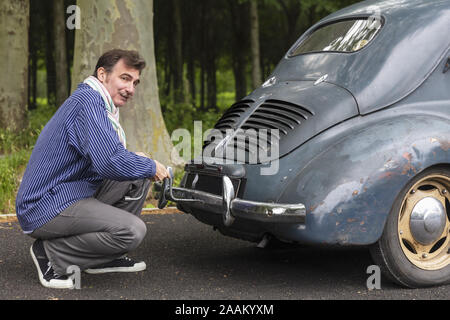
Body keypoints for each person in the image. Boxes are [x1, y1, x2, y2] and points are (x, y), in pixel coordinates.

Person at [15, 49, 171, 289]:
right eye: (125, 78)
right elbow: (108, 161)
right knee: (132, 231)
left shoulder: (101, 104)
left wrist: (140, 164)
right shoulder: (88, 103)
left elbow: (107, 158)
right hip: (44, 204)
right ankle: (51, 254)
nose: (131, 88)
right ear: (102, 74)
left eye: (135, 82)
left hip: (72, 190)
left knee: (137, 177)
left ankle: (100, 257)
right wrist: (150, 165)